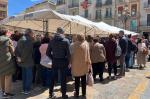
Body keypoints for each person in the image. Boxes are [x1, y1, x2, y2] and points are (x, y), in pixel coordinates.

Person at [46, 27, 70, 99]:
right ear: (62, 32)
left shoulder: (52, 40)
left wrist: (52, 58)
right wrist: (68, 61)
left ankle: (50, 93)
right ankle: (63, 95)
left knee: (52, 78)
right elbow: (68, 54)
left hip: (55, 61)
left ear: (56, 32)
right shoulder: (66, 40)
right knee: (63, 78)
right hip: (63, 61)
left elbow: (47, 53)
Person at [16, 29, 35, 95]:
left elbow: (16, 50)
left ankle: (24, 89)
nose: (33, 34)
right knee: (29, 77)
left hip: (22, 61)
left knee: (24, 77)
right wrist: (21, 59)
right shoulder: (28, 40)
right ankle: (27, 89)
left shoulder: (21, 39)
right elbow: (26, 52)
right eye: (32, 33)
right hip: (27, 61)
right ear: (30, 33)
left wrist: (18, 58)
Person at [0, 29, 16, 98]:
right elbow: (12, 51)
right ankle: (7, 92)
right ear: (5, 33)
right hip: (7, 60)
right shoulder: (8, 40)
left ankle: (2, 90)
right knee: (8, 76)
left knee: (1, 75)